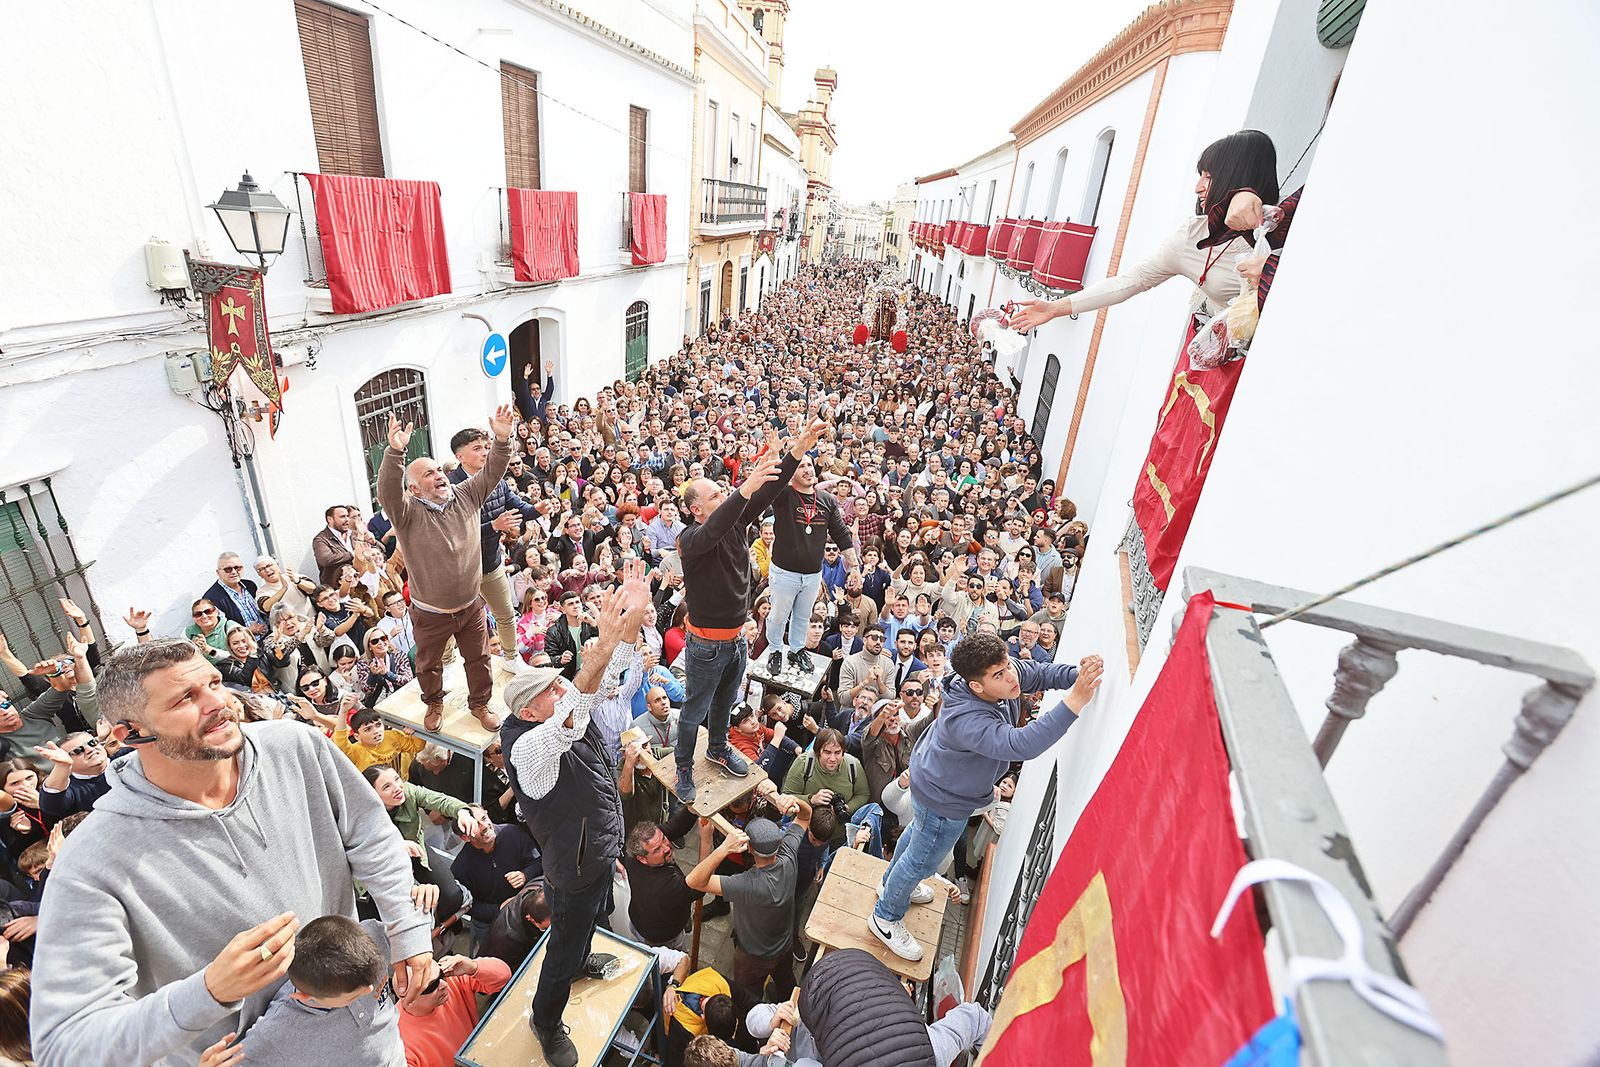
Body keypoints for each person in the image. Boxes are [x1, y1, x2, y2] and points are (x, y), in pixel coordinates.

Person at [32, 639, 433, 1066]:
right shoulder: (92, 860)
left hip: (378, 1042)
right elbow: (64, 1046)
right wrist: (208, 992)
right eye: (187, 697)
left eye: (215, 683)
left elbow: (370, 833)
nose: (219, 703)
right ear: (129, 734)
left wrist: (405, 927)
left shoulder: (294, 746)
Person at [496, 561, 651, 1067]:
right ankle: (545, 1020)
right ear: (530, 712)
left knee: (591, 922)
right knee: (561, 950)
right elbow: (578, 706)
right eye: (551, 690)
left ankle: (584, 958)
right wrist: (601, 649)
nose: (564, 691)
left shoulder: (564, 711)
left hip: (598, 851)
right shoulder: (529, 748)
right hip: (574, 868)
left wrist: (632, 613)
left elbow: (612, 677)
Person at [869, 633, 1104, 962]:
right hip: (943, 800)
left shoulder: (994, 676)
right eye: (999, 674)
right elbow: (1022, 744)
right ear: (976, 686)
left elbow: (1034, 671)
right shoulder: (968, 717)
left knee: (917, 839)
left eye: (1007, 666)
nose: (1010, 677)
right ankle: (886, 917)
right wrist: (1075, 701)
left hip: (931, 781)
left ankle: (889, 883)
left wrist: (1073, 676)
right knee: (922, 860)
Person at [674, 418, 827, 804]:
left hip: (736, 640)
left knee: (725, 705)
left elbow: (770, 488)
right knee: (694, 713)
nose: (723, 495)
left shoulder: (737, 517)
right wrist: (744, 488)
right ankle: (683, 768)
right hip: (705, 645)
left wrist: (797, 450)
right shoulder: (691, 538)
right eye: (714, 495)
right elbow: (719, 524)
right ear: (696, 509)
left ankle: (719, 749)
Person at [376, 405, 517, 734]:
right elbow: (387, 491)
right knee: (428, 664)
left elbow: (494, 470)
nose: (439, 475)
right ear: (413, 488)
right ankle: (434, 703)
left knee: (479, 660)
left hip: (470, 606)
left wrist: (501, 438)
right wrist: (395, 451)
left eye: (438, 469)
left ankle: (480, 704)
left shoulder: (466, 493)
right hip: (430, 612)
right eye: (428, 474)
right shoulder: (406, 512)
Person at [686, 786, 811, 1012]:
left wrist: (720, 847)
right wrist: (794, 801)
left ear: (749, 848)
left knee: (747, 997)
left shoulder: (748, 884)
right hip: (783, 945)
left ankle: (751, 1023)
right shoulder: (789, 855)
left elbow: (694, 881)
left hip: (753, 956)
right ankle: (792, 1006)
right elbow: (806, 815)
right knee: (785, 981)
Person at [237, 915, 403, 1067]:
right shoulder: (273, 1035)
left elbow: (409, 930)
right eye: (353, 996)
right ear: (304, 997)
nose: (370, 990)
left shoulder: (373, 938)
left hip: (397, 1057)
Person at [449, 425, 542, 654]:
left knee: (506, 614)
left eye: (486, 447)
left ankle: (511, 656)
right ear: (459, 456)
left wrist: (537, 509)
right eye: (477, 448)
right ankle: (450, 664)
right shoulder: (451, 488)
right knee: (451, 624)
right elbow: (455, 532)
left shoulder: (497, 480)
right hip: (461, 569)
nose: (484, 453)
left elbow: (519, 509)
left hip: (490, 562)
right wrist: (493, 526)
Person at [761, 454, 855, 678]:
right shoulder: (784, 495)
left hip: (812, 573)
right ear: (792, 472)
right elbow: (775, 479)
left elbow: (840, 533)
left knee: (803, 616)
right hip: (784, 572)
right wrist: (776, 455)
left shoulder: (826, 499)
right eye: (801, 466)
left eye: (810, 465)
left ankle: (796, 649)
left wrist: (855, 566)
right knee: (778, 616)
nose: (807, 469)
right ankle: (775, 650)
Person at [396, 952, 513, 1067]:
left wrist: (473, 967)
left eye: (441, 975)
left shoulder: (452, 980)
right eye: (432, 986)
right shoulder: (399, 1043)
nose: (443, 985)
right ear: (409, 1000)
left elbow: (504, 977)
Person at [450, 819, 542, 946]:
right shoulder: (461, 867)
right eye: (475, 825)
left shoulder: (512, 832)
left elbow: (540, 863)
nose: (485, 826)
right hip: (492, 921)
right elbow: (468, 906)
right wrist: (498, 909)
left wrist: (525, 875)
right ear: (465, 837)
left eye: (483, 818)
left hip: (528, 905)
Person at [621, 820, 701, 952]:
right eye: (657, 849)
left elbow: (676, 826)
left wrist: (692, 809)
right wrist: (706, 840)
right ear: (642, 859)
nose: (667, 848)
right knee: (675, 964)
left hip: (639, 921)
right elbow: (699, 887)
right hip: (663, 940)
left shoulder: (633, 855)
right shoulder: (664, 885)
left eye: (664, 839)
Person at [336, 709, 427, 779]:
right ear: (357, 736)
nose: (376, 731)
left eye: (378, 725)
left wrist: (413, 732)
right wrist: (343, 712)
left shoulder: (392, 736)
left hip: (401, 784)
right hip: (376, 794)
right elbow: (341, 744)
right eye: (368, 729)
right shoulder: (355, 751)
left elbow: (416, 747)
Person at [203, 553, 269, 636]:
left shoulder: (250, 585)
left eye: (237, 568)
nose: (234, 572)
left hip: (269, 637)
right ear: (218, 572)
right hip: (244, 645)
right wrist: (247, 631)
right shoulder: (211, 599)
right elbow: (218, 632)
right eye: (228, 569)